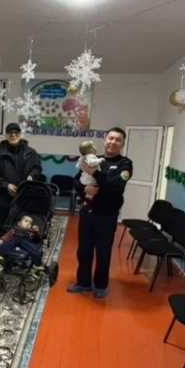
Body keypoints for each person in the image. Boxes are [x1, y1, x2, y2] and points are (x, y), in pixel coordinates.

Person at [67, 127, 132, 299]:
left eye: (118, 140)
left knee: (103, 253)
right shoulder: (93, 159)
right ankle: (83, 283)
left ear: (122, 144)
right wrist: (84, 189)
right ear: (105, 140)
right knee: (84, 251)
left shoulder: (124, 164)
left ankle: (101, 285)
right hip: (87, 213)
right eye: (110, 138)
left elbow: (116, 185)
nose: (113, 142)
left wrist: (95, 173)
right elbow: (76, 180)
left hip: (107, 216)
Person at [0, 122, 43, 233]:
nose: (13, 135)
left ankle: (21, 244)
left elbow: (37, 168)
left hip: (25, 197)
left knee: (24, 228)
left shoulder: (31, 152)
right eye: (10, 133)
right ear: (6, 136)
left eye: (16, 132)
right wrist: (6, 185)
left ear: (20, 134)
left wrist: (32, 176)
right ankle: (3, 243)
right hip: (5, 198)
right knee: (4, 227)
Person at [76, 140, 102, 209]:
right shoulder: (91, 156)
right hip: (90, 180)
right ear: (91, 149)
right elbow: (91, 162)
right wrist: (100, 160)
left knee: (89, 193)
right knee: (92, 191)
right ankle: (88, 204)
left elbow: (77, 166)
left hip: (83, 179)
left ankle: (82, 199)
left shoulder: (82, 158)